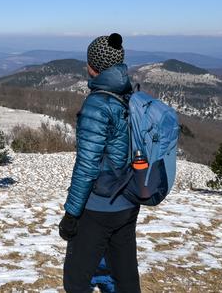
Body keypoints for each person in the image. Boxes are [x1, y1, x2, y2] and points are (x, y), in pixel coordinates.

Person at [59, 33, 141, 293]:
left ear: (92, 67)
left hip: (99, 207)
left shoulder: (97, 105)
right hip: (129, 201)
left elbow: (87, 166)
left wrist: (71, 214)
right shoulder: (130, 95)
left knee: (76, 280)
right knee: (125, 275)